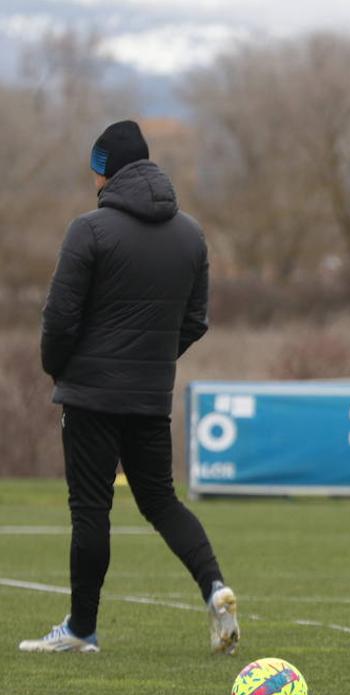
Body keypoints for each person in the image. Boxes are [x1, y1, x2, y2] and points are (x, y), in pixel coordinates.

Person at [20, 120, 239, 655]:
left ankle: (81, 630)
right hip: (149, 395)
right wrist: (152, 363)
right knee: (161, 500)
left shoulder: (88, 230)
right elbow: (196, 320)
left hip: (90, 395)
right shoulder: (191, 232)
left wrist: (60, 371)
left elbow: (60, 320)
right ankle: (215, 587)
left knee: (91, 510)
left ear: (105, 172)